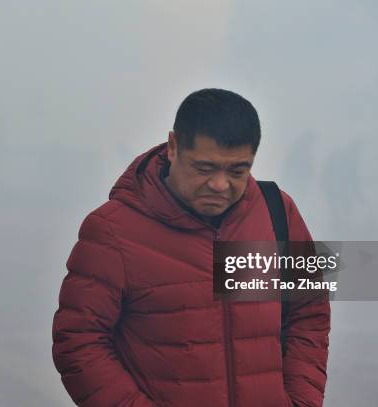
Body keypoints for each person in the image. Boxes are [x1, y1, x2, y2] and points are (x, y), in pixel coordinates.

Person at [52, 88, 330, 407]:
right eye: (204, 168)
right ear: (173, 147)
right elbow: (79, 342)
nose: (220, 185)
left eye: (237, 171)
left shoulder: (276, 211)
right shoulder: (114, 230)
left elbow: (309, 310)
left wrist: (302, 401)